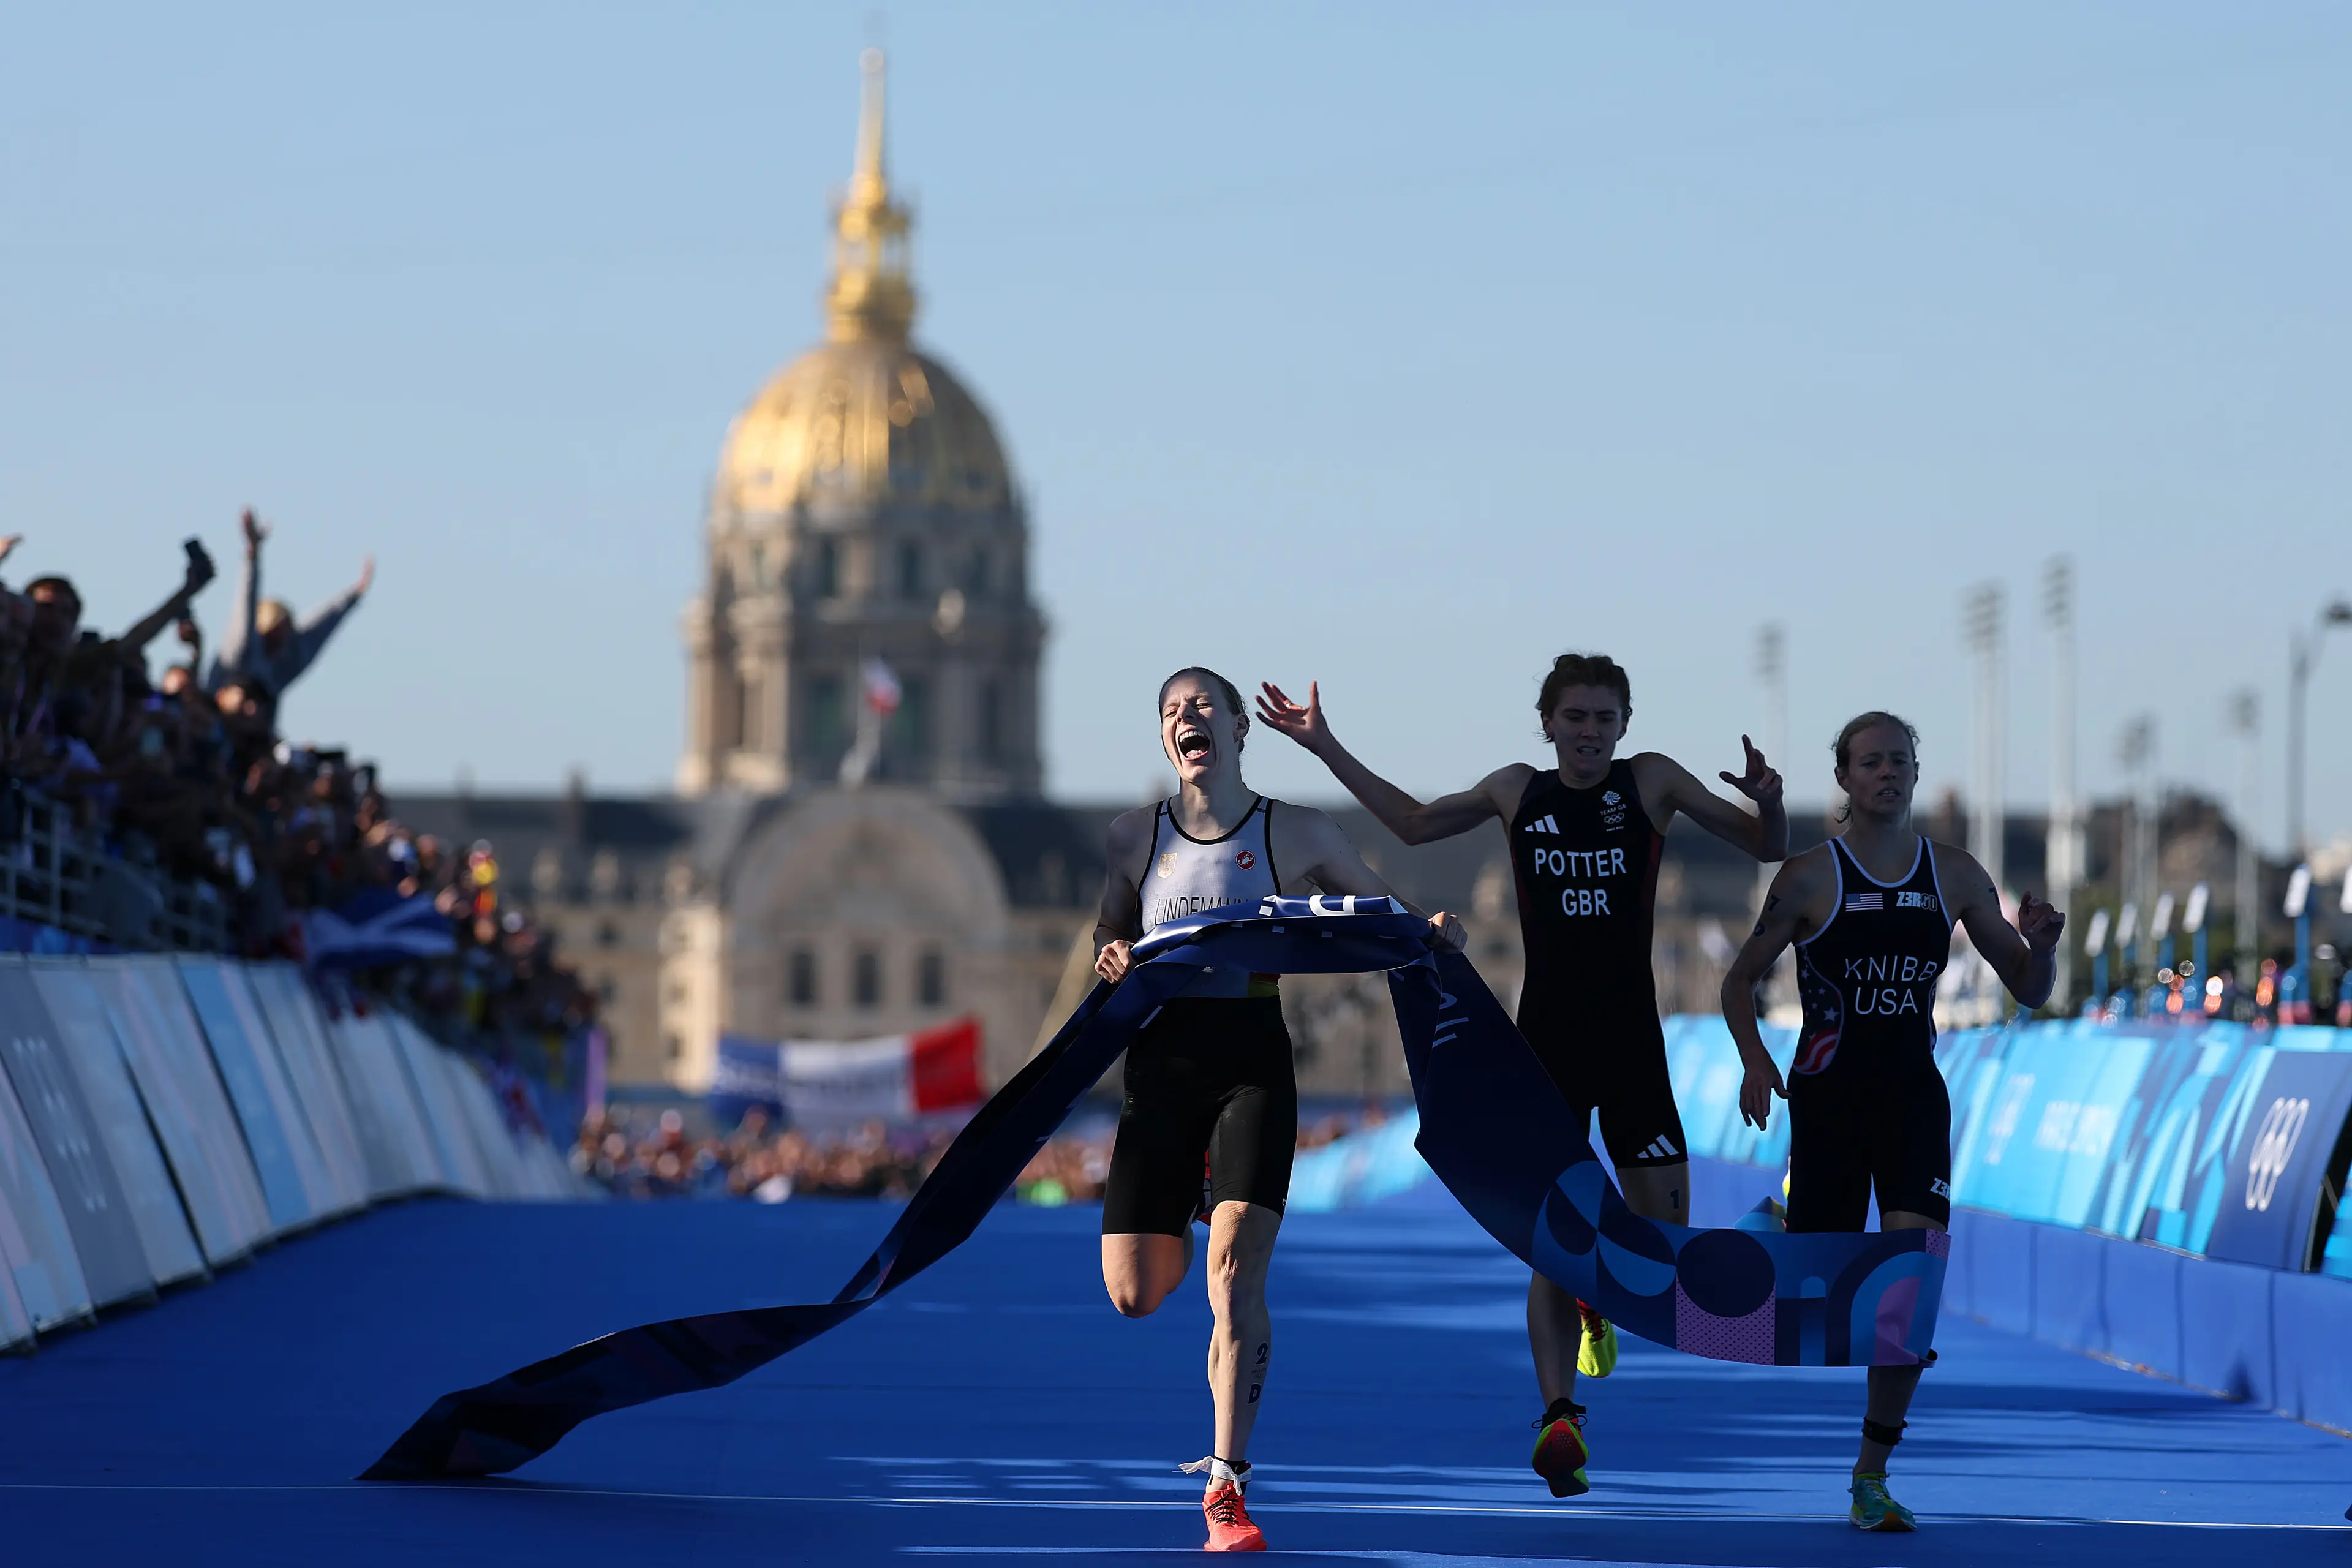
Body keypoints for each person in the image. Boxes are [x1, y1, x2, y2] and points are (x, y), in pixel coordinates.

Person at [1255, 652, 1785, 1499]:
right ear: (1546, 724)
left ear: (1624, 726)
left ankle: (1596, 1303)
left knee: (1661, 1247)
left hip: (1633, 1047)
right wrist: (1324, 745)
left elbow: (1769, 847)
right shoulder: (1515, 791)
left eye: (1604, 719)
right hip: (1546, 1049)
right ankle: (1558, 1416)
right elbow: (1415, 824)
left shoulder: (1651, 785)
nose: (1589, 733)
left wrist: (1770, 802)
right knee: (1555, 1243)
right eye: (1574, 718)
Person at [1093, 666, 1464, 1552]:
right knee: (1136, 1293)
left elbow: (1380, 907)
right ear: (1162, 739)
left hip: (1252, 1057)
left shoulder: (1293, 831)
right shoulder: (1130, 835)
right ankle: (1188, 1206)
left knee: (1235, 1275)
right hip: (1160, 1067)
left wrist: (1430, 934)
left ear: (1237, 731)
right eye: (1174, 711)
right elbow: (1110, 927)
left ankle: (1227, 1487)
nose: (1192, 719)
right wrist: (1111, 949)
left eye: (1206, 707)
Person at [1719, 711, 2060, 1533]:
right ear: (1844, 779)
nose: (1889, 774)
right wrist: (1756, 1061)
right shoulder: (1808, 877)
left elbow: (2031, 989)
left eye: (1900, 761)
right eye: (1871, 762)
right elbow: (1739, 984)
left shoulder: (1955, 874)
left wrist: (2041, 945)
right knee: (1819, 1288)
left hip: (1912, 1100)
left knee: (1910, 1292)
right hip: (1829, 1101)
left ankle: (1871, 1475)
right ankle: (1785, 1213)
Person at [207, 508, 373, 697]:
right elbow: (245, 608)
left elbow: (315, 632)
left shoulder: (283, 665)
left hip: (256, 727)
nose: (286, 638)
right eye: (281, 631)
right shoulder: (241, 650)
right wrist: (252, 555)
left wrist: (353, 594)